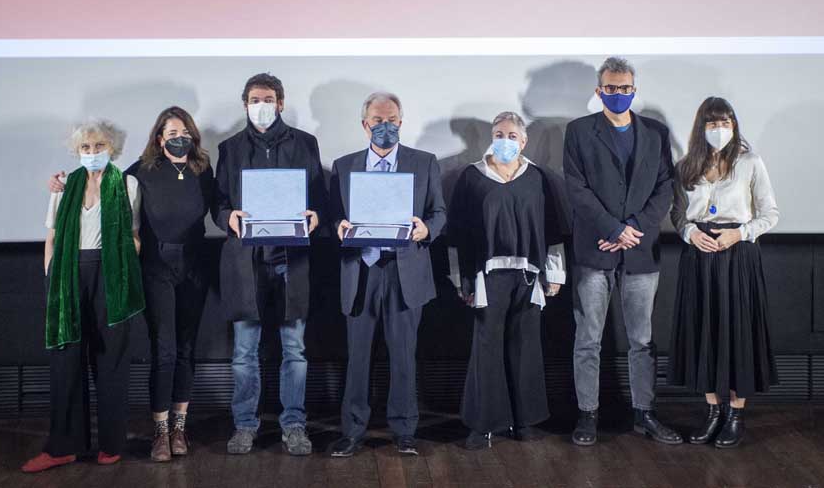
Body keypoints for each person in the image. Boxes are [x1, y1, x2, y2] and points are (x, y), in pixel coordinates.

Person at [47, 107, 216, 461]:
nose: (178, 137)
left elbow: (213, 210)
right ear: (158, 137)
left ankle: (179, 428)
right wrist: (60, 184)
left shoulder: (203, 170)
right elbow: (109, 204)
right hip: (155, 270)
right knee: (164, 350)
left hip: (195, 268)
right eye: (171, 132)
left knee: (186, 349)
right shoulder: (138, 173)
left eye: (183, 131)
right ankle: (159, 431)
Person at [563, 56, 682, 446]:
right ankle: (587, 415)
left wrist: (632, 230)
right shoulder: (579, 131)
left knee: (642, 341)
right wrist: (613, 229)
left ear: (634, 90)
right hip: (594, 250)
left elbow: (665, 186)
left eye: (624, 88)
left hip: (640, 251)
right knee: (588, 338)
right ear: (599, 91)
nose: (618, 95)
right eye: (610, 88)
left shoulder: (655, 133)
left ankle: (644, 414)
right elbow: (576, 188)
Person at [328, 92, 447, 457]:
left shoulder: (424, 163)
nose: (385, 127)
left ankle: (404, 431)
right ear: (365, 125)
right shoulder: (344, 166)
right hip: (360, 271)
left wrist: (426, 230)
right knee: (358, 356)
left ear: (401, 122)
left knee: (404, 355)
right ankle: (352, 432)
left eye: (391, 120)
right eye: (377, 121)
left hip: (404, 271)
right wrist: (338, 226)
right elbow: (334, 215)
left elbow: (439, 213)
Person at [213, 73, 326, 456]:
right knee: (245, 350)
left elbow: (321, 199)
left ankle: (293, 424)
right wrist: (226, 216)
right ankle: (245, 424)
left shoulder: (305, 143)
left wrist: (316, 216)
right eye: (254, 98)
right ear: (244, 103)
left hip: (291, 259)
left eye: (268, 98)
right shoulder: (229, 148)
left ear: (281, 102)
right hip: (247, 261)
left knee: (294, 348)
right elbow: (219, 202)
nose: (261, 105)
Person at [22, 119, 144, 473]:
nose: (93, 153)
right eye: (86, 148)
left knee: (111, 359)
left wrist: (124, 268)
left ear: (112, 148)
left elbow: (135, 234)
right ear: (77, 152)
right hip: (69, 272)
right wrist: (51, 278)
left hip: (111, 274)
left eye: (99, 146)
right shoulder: (64, 185)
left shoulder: (127, 183)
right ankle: (63, 446)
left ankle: (111, 443)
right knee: (66, 359)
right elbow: (52, 237)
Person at [449, 111, 568, 450]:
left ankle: (524, 420)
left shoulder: (536, 178)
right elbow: (457, 234)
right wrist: (462, 281)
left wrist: (554, 273)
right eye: (499, 134)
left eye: (512, 136)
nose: (505, 141)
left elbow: (551, 229)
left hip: (528, 275)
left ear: (524, 141)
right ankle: (482, 424)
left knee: (526, 347)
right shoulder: (472, 177)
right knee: (486, 348)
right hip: (487, 276)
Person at [668, 97, 779, 448]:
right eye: (713, 123)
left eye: (725, 122)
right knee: (706, 330)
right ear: (702, 127)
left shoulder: (750, 162)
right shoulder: (687, 166)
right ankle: (713, 412)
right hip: (700, 255)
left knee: (737, 331)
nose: (720, 129)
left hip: (738, 255)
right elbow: (677, 214)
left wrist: (740, 233)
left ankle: (735, 414)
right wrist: (690, 234)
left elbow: (770, 213)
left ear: (734, 124)